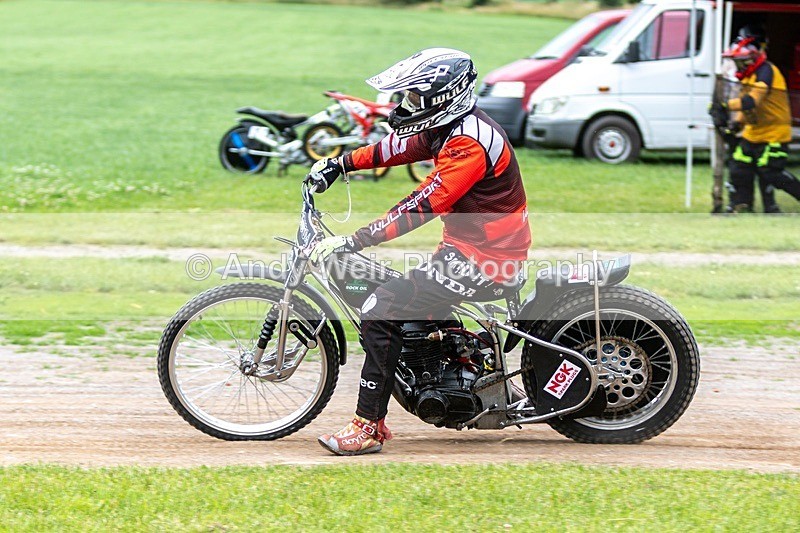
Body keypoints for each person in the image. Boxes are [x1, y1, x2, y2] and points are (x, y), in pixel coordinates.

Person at [304, 48, 531, 456]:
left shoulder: (469, 143)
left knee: (380, 305)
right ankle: (453, 365)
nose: (405, 106)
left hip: (486, 259)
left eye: (414, 99)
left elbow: (422, 204)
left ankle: (367, 427)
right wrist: (340, 165)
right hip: (470, 249)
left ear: (445, 99)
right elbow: (398, 148)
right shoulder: (453, 126)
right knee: (404, 298)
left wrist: (354, 240)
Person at [714, 27, 800, 213]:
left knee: (770, 172)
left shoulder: (766, 71)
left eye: (740, 61)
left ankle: (774, 207)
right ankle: (741, 205)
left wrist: (724, 105)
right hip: (753, 133)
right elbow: (747, 109)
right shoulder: (748, 76)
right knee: (738, 167)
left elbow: (752, 101)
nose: (738, 65)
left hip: (774, 133)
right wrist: (736, 123)